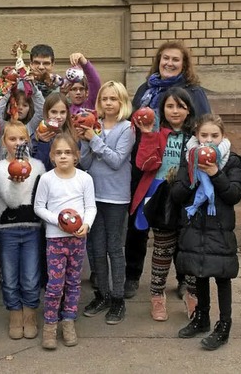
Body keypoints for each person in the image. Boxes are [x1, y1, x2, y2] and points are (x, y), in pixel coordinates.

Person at [125, 40, 211, 299]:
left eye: (175, 59)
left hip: (179, 169)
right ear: (158, 61)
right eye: (165, 59)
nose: (169, 63)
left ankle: (183, 278)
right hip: (145, 163)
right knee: (138, 223)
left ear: (184, 64)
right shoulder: (145, 89)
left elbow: (205, 125)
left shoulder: (193, 91)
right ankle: (132, 275)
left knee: (179, 225)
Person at [172, 114, 241, 351]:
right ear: (196, 136)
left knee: (222, 277)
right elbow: (177, 194)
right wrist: (193, 172)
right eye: (204, 136)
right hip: (196, 226)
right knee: (199, 274)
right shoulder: (188, 158)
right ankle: (202, 318)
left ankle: (224, 324)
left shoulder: (231, 161)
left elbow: (233, 194)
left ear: (222, 137)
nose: (209, 141)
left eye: (215, 136)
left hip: (220, 229)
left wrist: (214, 173)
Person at [130, 87, 196, 322]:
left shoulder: (196, 137)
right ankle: (157, 295)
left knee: (189, 249)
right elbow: (144, 164)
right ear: (163, 110)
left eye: (180, 106)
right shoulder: (157, 134)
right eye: (170, 106)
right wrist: (147, 135)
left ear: (189, 110)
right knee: (162, 249)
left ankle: (192, 294)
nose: (175, 111)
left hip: (189, 197)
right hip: (161, 196)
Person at [79, 81, 134, 325]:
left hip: (116, 197)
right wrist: (85, 139)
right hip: (93, 196)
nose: (109, 103)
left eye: (114, 99)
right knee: (96, 248)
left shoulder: (127, 129)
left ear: (122, 103)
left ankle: (118, 298)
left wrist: (94, 140)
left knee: (114, 248)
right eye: (104, 99)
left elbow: (116, 160)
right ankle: (101, 293)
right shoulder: (95, 125)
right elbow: (86, 163)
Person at [34, 133, 96, 349]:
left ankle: (68, 319)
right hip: (56, 239)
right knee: (55, 284)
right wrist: (58, 221)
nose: (63, 157)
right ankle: (50, 324)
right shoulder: (47, 179)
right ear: (52, 156)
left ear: (76, 156)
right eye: (58, 153)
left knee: (73, 281)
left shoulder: (84, 179)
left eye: (67, 153)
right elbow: (39, 207)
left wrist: (86, 224)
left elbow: (91, 206)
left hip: (77, 239)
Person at [0, 121, 45, 340]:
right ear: (4, 142)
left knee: (31, 276)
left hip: (32, 227)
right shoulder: (0, 168)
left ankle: (30, 312)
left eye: (22, 139)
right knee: (10, 275)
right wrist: (15, 180)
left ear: (28, 140)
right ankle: (15, 312)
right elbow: (12, 201)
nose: (17, 143)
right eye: (12, 139)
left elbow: (40, 198)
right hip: (7, 229)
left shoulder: (39, 167)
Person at [32, 92, 78, 172]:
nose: (58, 117)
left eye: (62, 112)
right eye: (54, 112)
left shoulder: (74, 135)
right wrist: (43, 143)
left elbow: (80, 164)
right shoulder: (37, 136)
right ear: (47, 113)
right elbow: (38, 167)